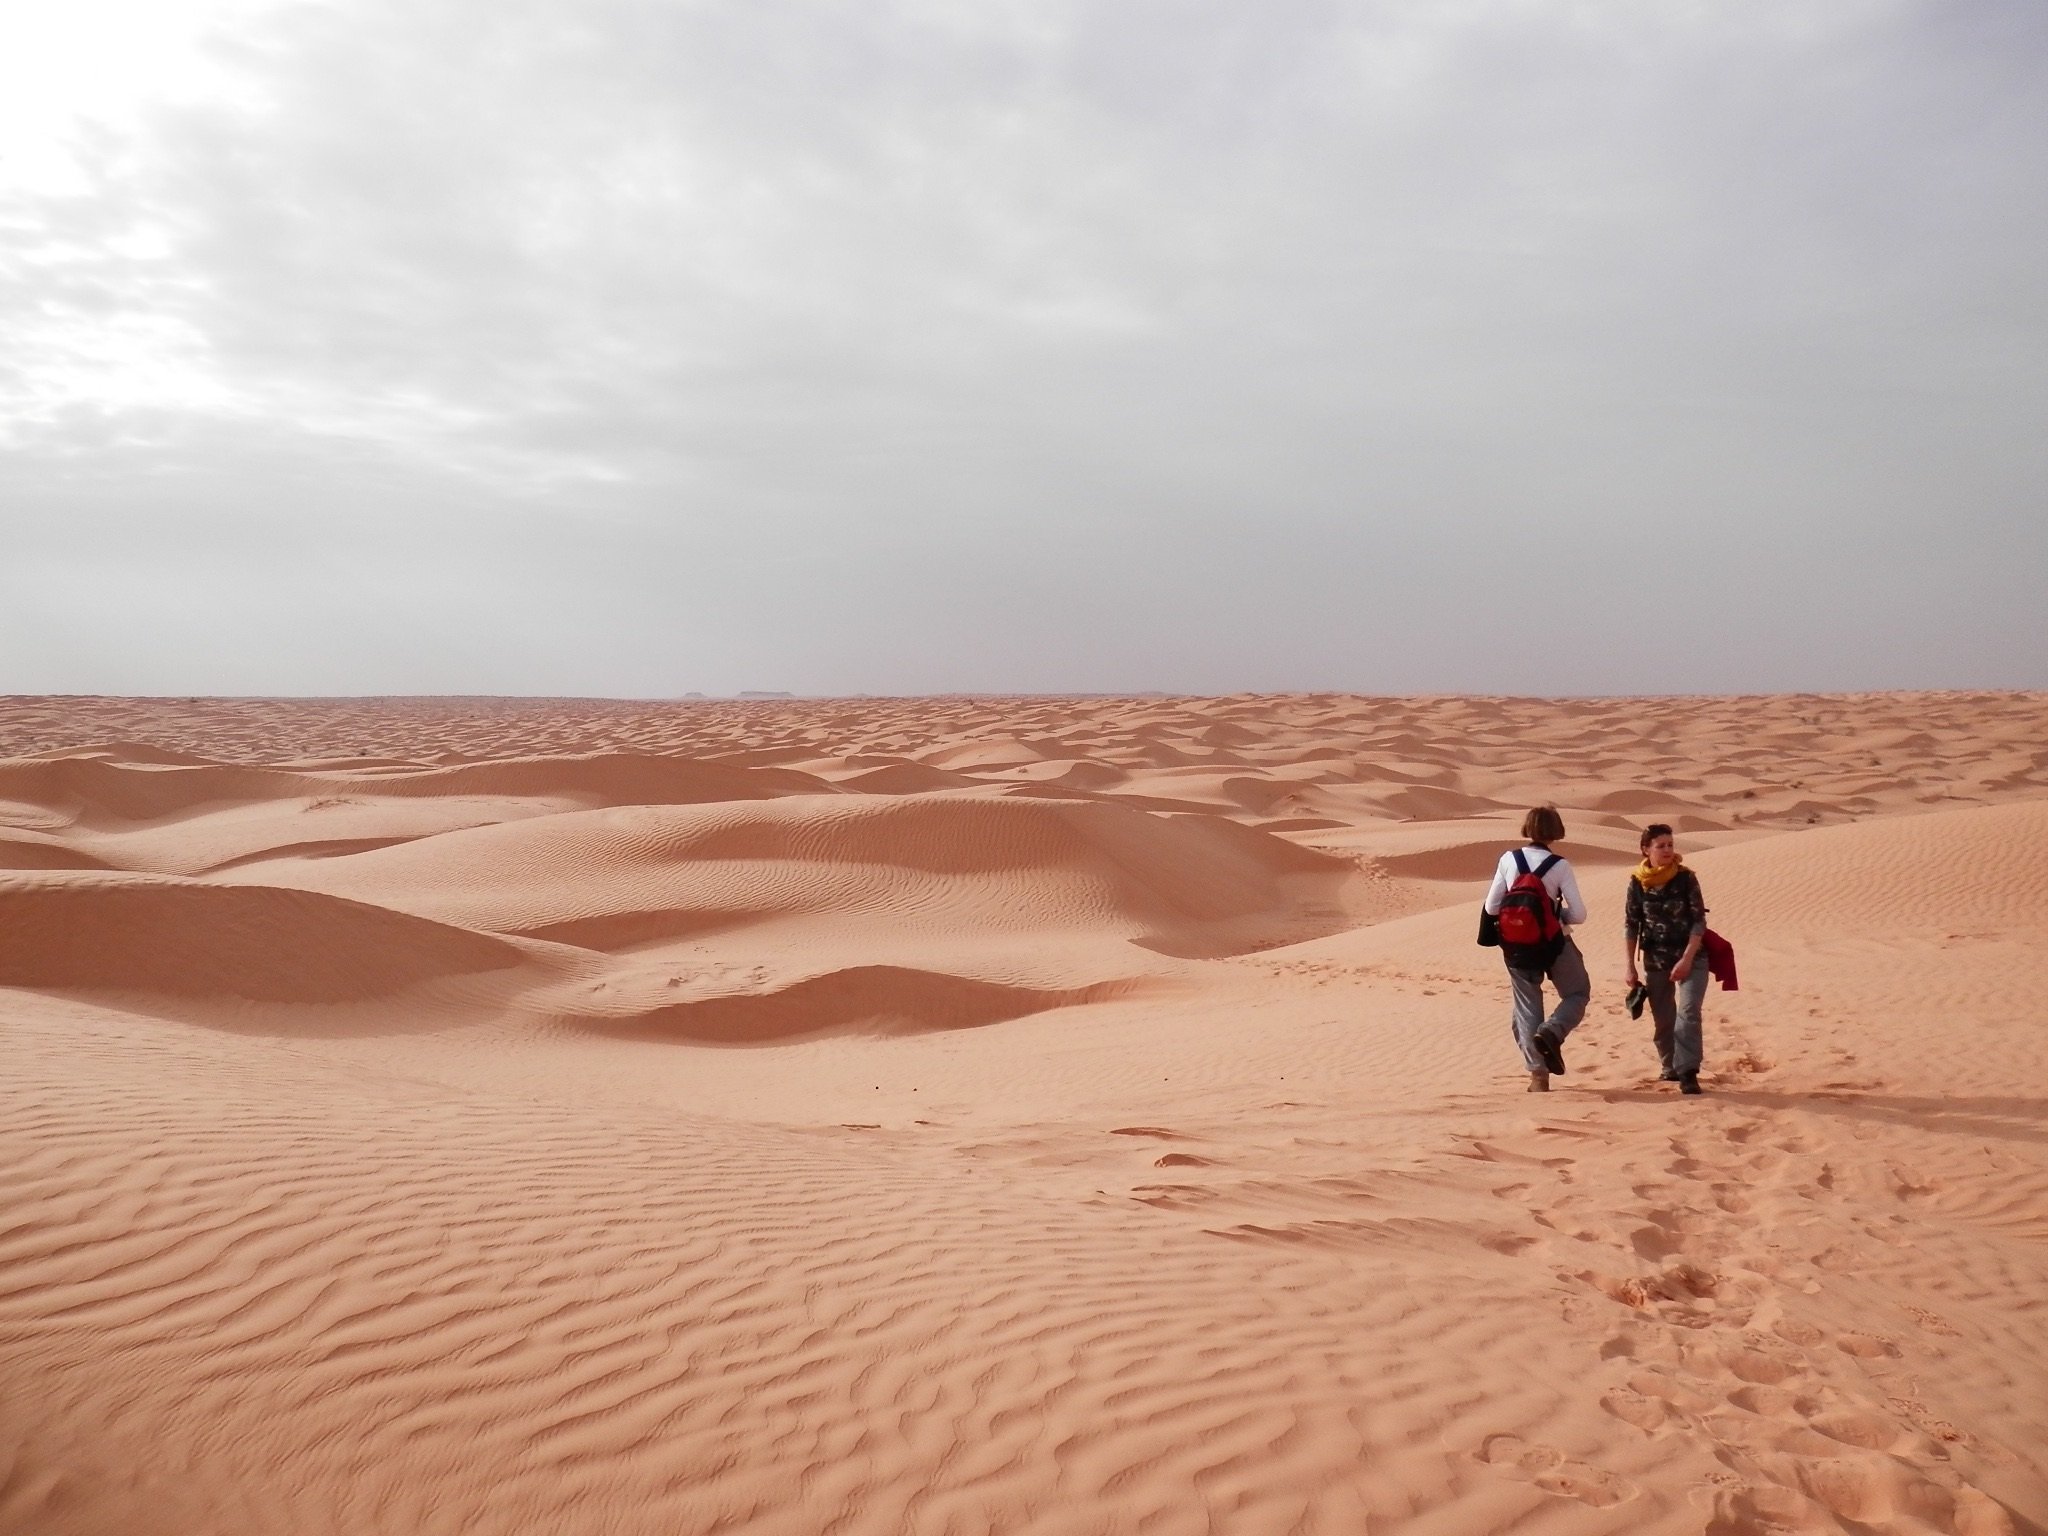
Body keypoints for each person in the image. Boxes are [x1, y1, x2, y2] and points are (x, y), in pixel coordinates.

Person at [1483, 806, 1589, 1092]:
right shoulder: (1559, 865)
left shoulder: (1509, 859)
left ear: (1527, 827)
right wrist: (1554, 916)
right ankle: (1552, 1032)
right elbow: (1578, 914)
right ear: (1556, 830)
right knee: (1577, 992)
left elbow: (1492, 906)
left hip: (1516, 946)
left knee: (1527, 1007)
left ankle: (1538, 1077)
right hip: (1554, 943)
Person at [1624, 823, 1709, 1095]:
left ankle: (1688, 1072)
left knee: (1688, 1013)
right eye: (1661, 846)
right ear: (1646, 849)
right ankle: (1669, 1065)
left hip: (1692, 957)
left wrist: (1686, 958)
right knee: (1663, 1017)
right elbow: (1631, 924)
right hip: (1656, 959)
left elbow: (1698, 921)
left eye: (1670, 845)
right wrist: (1629, 966)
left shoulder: (1686, 878)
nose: (1668, 850)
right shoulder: (1637, 882)